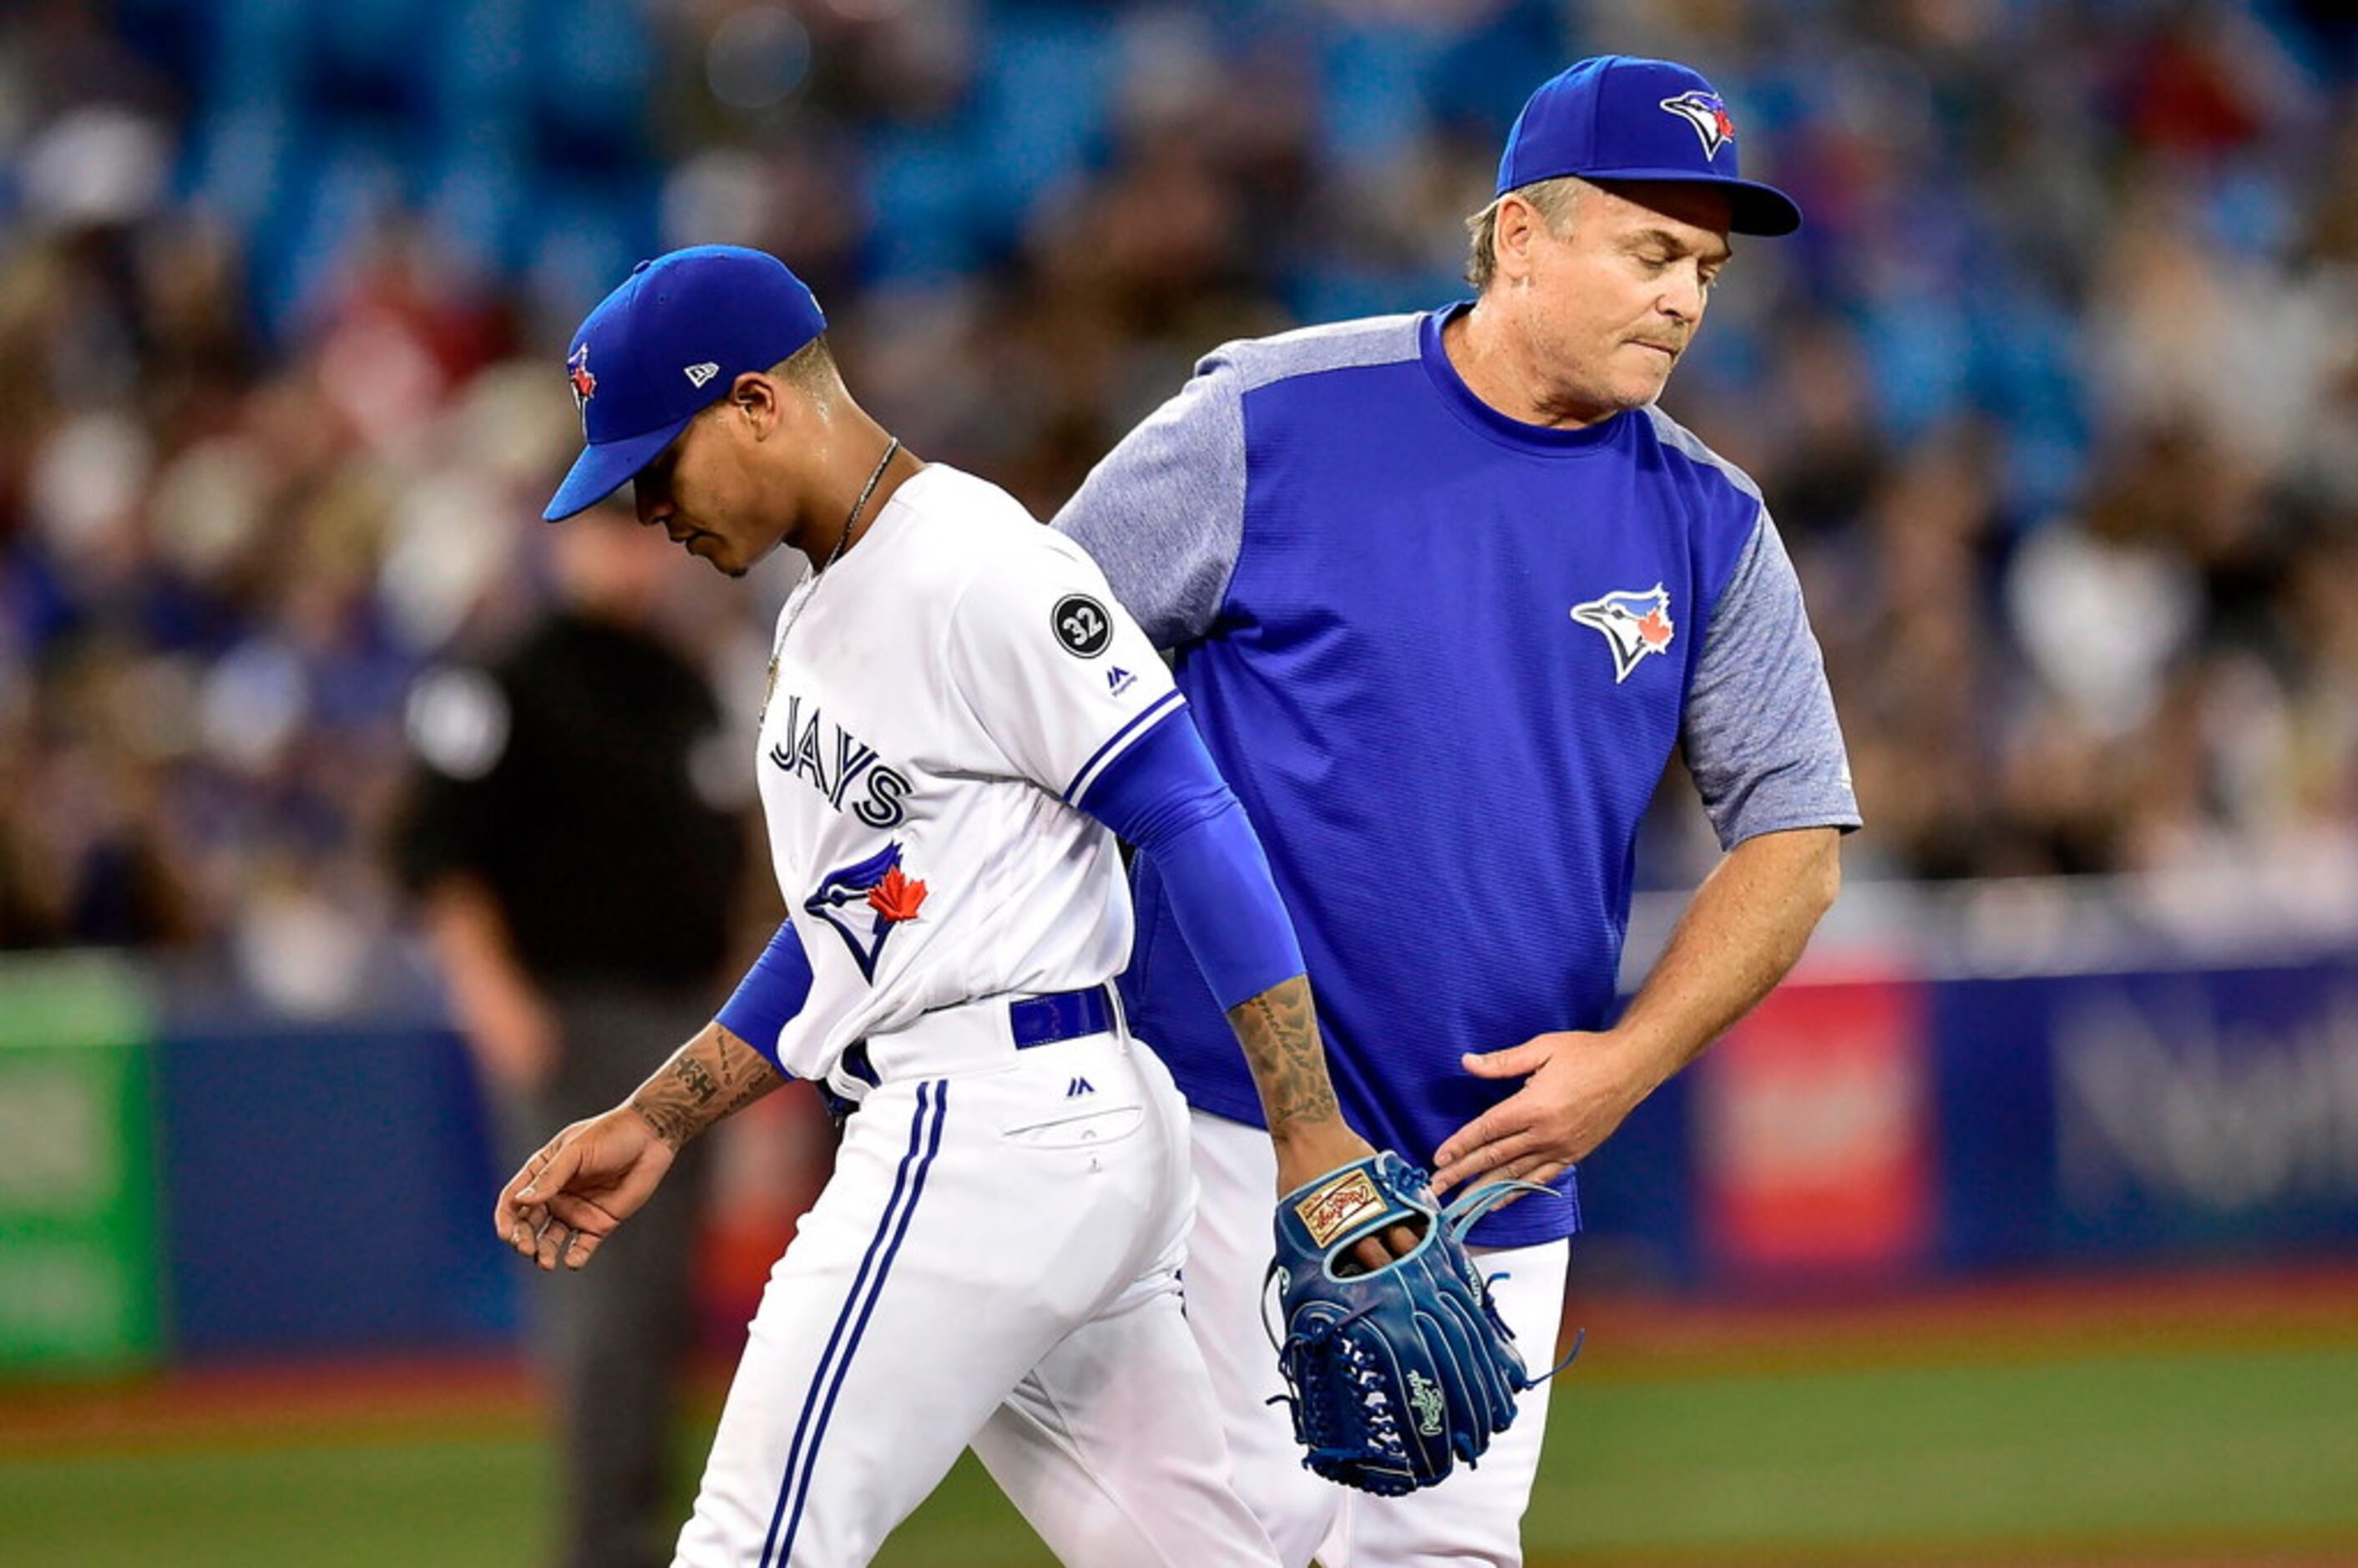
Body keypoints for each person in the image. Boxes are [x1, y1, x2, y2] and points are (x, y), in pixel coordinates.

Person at [1052, 54, 1860, 1568]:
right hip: (1220, 1124)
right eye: (1646, 249)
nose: (1683, 298)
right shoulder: (1265, 423)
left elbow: (1795, 841)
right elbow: (1024, 675)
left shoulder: (1706, 519)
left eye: (1703, 265)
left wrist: (1622, 1066)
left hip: (1496, 1160)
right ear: (1515, 238)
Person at [494, 244, 1403, 1567]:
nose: (644, 512)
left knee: (752, 1540)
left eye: (654, 464)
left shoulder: (976, 564)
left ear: (755, 403)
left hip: (991, 1127)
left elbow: (1191, 813)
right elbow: (843, 932)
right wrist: (658, 1115)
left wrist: (1307, 1126)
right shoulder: (822, 609)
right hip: (1042, 1132)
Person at [393, 503, 745, 1568]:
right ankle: (602, 1546)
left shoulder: (684, 682)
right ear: (559, 545)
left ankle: (641, 1533)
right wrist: (489, 991)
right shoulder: (500, 677)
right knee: (598, 1299)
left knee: (662, 1301)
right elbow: (430, 845)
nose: (626, 554)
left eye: (639, 533)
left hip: (681, 1029)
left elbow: (729, 860)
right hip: (571, 1018)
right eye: (603, 533)